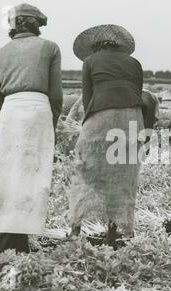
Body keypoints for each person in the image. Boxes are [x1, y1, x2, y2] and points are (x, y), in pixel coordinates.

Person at [0, 3, 63, 253]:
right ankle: (18, 240)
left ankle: (8, 240)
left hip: (10, 113)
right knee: (32, 177)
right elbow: (56, 95)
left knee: (5, 175)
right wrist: (52, 122)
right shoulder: (50, 48)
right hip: (38, 110)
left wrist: (8, 118)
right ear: (35, 24)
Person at [69, 24, 146, 248]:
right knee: (124, 173)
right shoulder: (134, 63)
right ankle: (117, 233)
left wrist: (87, 126)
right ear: (119, 46)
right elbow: (138, 94)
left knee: (86, 169)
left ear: (96, 47)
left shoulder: (90, 62)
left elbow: (87, 97)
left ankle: (75, 230)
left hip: (101, 116)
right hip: (132, 116)